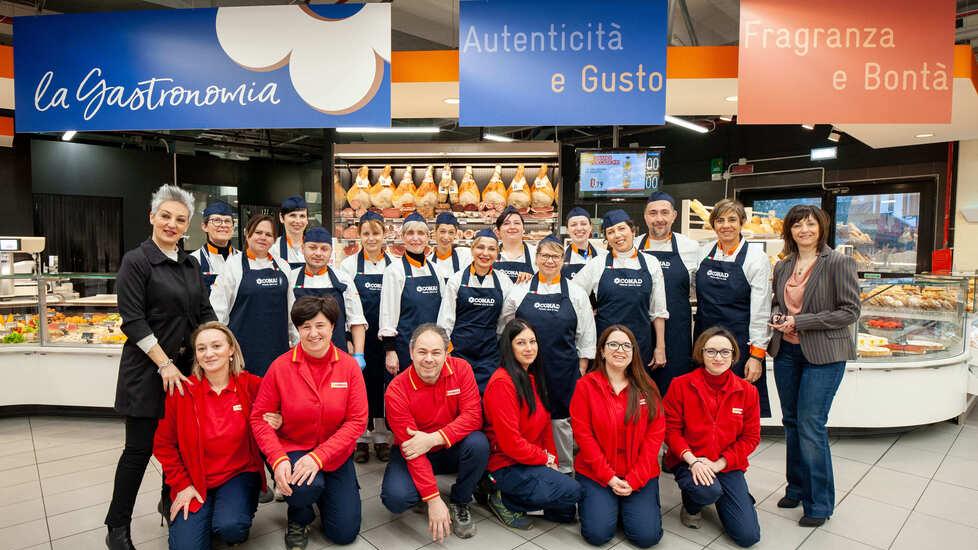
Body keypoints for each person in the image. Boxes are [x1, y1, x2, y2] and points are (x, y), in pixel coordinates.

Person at [106, 185, 217, 550]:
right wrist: (164, 364)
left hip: (184, 371)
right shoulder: (136, 261)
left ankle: (169, 501)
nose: (172, 224)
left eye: (180, 220)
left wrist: (217, 345)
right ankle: (117, 527)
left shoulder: (190, 264)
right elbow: (133, 321)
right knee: (138, 452)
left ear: (188, 226)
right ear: (152, 217)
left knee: (180, 446)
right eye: (166, 216)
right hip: (146, 371)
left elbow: (204, 312)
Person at [251, 295, 368, 549]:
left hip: (335, 454)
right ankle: (299, 515)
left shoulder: (349, 367)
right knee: (303, 489)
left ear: (333, 327)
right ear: (298, 329)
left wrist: (319, 457)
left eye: (320, 325)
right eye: (306, 327)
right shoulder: (280, 367)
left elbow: (357, 421)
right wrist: (278, 459)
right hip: (293, 448)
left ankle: (328, 490)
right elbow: (259, 419)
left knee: (344, 533)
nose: (313, 333)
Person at [768, 205, 860, 527]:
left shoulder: (838, 262)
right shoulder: (784, 265)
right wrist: (778, 315)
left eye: (810, 224)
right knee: (791, 422)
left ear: (821, 228)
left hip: (824, 355)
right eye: (797, 225)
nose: (804, 230)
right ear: (789, 231)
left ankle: (819, 503)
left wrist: (800, 321)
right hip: (786, 352)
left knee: (810, 424)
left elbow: (850, 311)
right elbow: (778, 301)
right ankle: (795, 487)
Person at [154, 322, 281, 549]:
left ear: (231, 349)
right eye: (201, 348)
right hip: (194, 479)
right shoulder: (182, 391)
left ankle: (226, 515)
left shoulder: (251, 385)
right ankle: (205, 516)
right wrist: (182, 485)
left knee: (231, 527)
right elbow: (163, 445)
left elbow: (283, 407)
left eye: (216, 346)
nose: (209, 353)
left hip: (238, 474)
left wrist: (279, 419)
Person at [380, 324, 489, 541]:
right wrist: (433, 498)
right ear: (411, 352)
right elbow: (412, 448)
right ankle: (422, 491)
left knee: (478, 444)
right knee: (395, 499)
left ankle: (460, 500)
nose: (429, 359)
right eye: (422, 352)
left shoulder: (462, 369)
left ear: (447, 352)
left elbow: (473, 416)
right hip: (412, 452)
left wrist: (434, 438)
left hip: (449, 447)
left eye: (436, 352)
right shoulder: (396, 390)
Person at [500, 235, 596, 473]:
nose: (550, 261)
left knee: (560, 419)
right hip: (526, 369)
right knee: (528, 414)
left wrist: (582, 366)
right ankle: (529, 461)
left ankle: (563, 467)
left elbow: (586, 333)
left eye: (555, 256)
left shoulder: (576, 293)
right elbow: (504, 327)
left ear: (563, 260)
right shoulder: (519, 291)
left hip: (563, 367)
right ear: (536, 258)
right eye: (545, 255)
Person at [663, 327, 761, 548]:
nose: (718, 357)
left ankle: (733, 496)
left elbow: (751, 437)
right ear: (701, 353)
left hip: (726, 464)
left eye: (725, 352)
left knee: (748, 536)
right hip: (689, 461)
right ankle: (692, 505)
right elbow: (670, 430)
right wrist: (693, 461)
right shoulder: (681, 385)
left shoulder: (747, 392)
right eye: (711, 351)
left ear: (734, 355)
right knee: (708, 491)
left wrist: (719, 464)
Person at [482, 319, 583, 530]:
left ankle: (525, 497)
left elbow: (546, 427)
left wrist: (553, 461)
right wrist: (544, 458)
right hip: (506, 465)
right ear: (509, 347)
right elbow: (510, 443)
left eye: (532, 341)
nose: (529, 348)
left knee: (565, 512)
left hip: (530, 460)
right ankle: (500, 497)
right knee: (572, 491)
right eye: (521, 343)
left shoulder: (532, 378)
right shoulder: (502, 383)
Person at [572, 325, 665, 549]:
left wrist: (635, 479)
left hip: (638, 474)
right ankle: (612, 504)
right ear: (602, 351)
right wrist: (609, 477)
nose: (620, 350)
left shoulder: (647, 386)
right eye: (613, 344)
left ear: (633, 352)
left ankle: (624, 506)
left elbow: (655, 437)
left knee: (646, 537)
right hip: (597, 473)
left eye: (626, 345)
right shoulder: (585, 386)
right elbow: (584, 437)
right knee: (597, 535)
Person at [695, 199, 773, 417]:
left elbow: (761, 311)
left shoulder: (756, 258)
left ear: (741, 223)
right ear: (713, 224)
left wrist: (756, 356)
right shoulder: (704, 252)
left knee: (737, 409)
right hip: (705, 341)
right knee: (704, 407)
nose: (726, 225)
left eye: (732, 220)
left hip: (739, 344)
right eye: (720, 220)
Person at [574, 209, 669, 373]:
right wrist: (588, 312)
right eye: (610, 232)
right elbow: (573, 292)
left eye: (621, 228)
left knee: (637, 387)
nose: (617, 235)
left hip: (640, 344)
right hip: (606, 344)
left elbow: (658, 311)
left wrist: (660, 347)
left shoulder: (651, 263)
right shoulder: (597, 264)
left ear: (633, 231)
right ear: (607, 238)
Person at [339, 211, 393, 463]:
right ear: (359, 235)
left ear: (384, 235)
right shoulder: (348, 266)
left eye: (376, 233)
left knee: (381, 386)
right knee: (358, 388)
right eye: (366, 234)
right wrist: (348, 338)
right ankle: (360, 438)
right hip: (360, 339)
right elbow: (344, 305)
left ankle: (381, 437)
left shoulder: (394, 265)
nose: (371, 239)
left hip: (385, 339)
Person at [210, 214, 292, 377]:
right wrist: (218, 348)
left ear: (274, 239)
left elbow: (291, 309)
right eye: (258, 232)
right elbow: (218, 312)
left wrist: (295, 342)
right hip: (242, 350)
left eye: (268, 234)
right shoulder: (233, 265)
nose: (263, 237)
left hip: (278, 348)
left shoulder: (283, 266)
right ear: (247, 234)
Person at [636, 192, 701, 395]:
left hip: (677, 333)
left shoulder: (691, 247)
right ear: (645, 216)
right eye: (653, 213)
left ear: (674, 215)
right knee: (640, 393)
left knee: (675, 392)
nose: (659, 218)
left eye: (664, 212)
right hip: (640, 332)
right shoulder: (633, 246)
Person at [437, 228, 514, 391]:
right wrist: (445, 350)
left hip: (490, 354)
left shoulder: (504, 281)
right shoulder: (457, 280)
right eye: (480, 247)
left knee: (488, 395)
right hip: (459, 352)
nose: (485, 253)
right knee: (460, 395)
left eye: (491, 249)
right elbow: (445, 319)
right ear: (472, 249)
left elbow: (505, 320)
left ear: (497, 253)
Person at [287, 226, 367, 362]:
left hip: (337, 355)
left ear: (331, 251)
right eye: (312, 247)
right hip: (300, 354)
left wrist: (359, 355)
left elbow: (356, 320)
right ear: (303, 248)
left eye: (324, 249)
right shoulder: (290, 278)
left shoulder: (343, 279)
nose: (318, 253)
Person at [379, 212, 444, 374]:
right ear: (403, 237)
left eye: (421, 233)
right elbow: (388, 313)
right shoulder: (394, 270)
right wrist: (390, 351)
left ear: (427, 237)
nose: (416, 238)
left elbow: (444, 311)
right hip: (404, 348)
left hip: (432, 350)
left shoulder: (436, 270)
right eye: (410, 233)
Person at [190, 200, 239, 291]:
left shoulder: (243, 259)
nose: (223, 225)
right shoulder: (193, 261)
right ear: (204, 226)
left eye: (227, 221)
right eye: (217, 220)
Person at [493, 206, 536, 283]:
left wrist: (533, 279)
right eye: (506, 223)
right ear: (498, 231)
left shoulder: (536, 253)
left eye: (517, 223)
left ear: (523, 229)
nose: (512, 227)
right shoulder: (490, 253)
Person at [429, 211, 472, 284]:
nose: (446, 237)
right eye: (442, 231)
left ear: (455, 234)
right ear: (435, 231)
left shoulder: (465, 256)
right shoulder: (428, 262)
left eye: (451, 232)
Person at [272, 195, 309, 270]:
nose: (298, 221)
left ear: (307, 220)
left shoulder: (316, 248)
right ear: (281, 218)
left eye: (302, 216)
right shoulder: (273, 248)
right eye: (293, 215)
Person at [562, 207, 599, 280]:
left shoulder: (603, 255)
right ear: (567, 230)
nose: (579, 228)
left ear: (590, 227)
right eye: (573, 225)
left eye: (583, 224)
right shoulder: (559, 256)